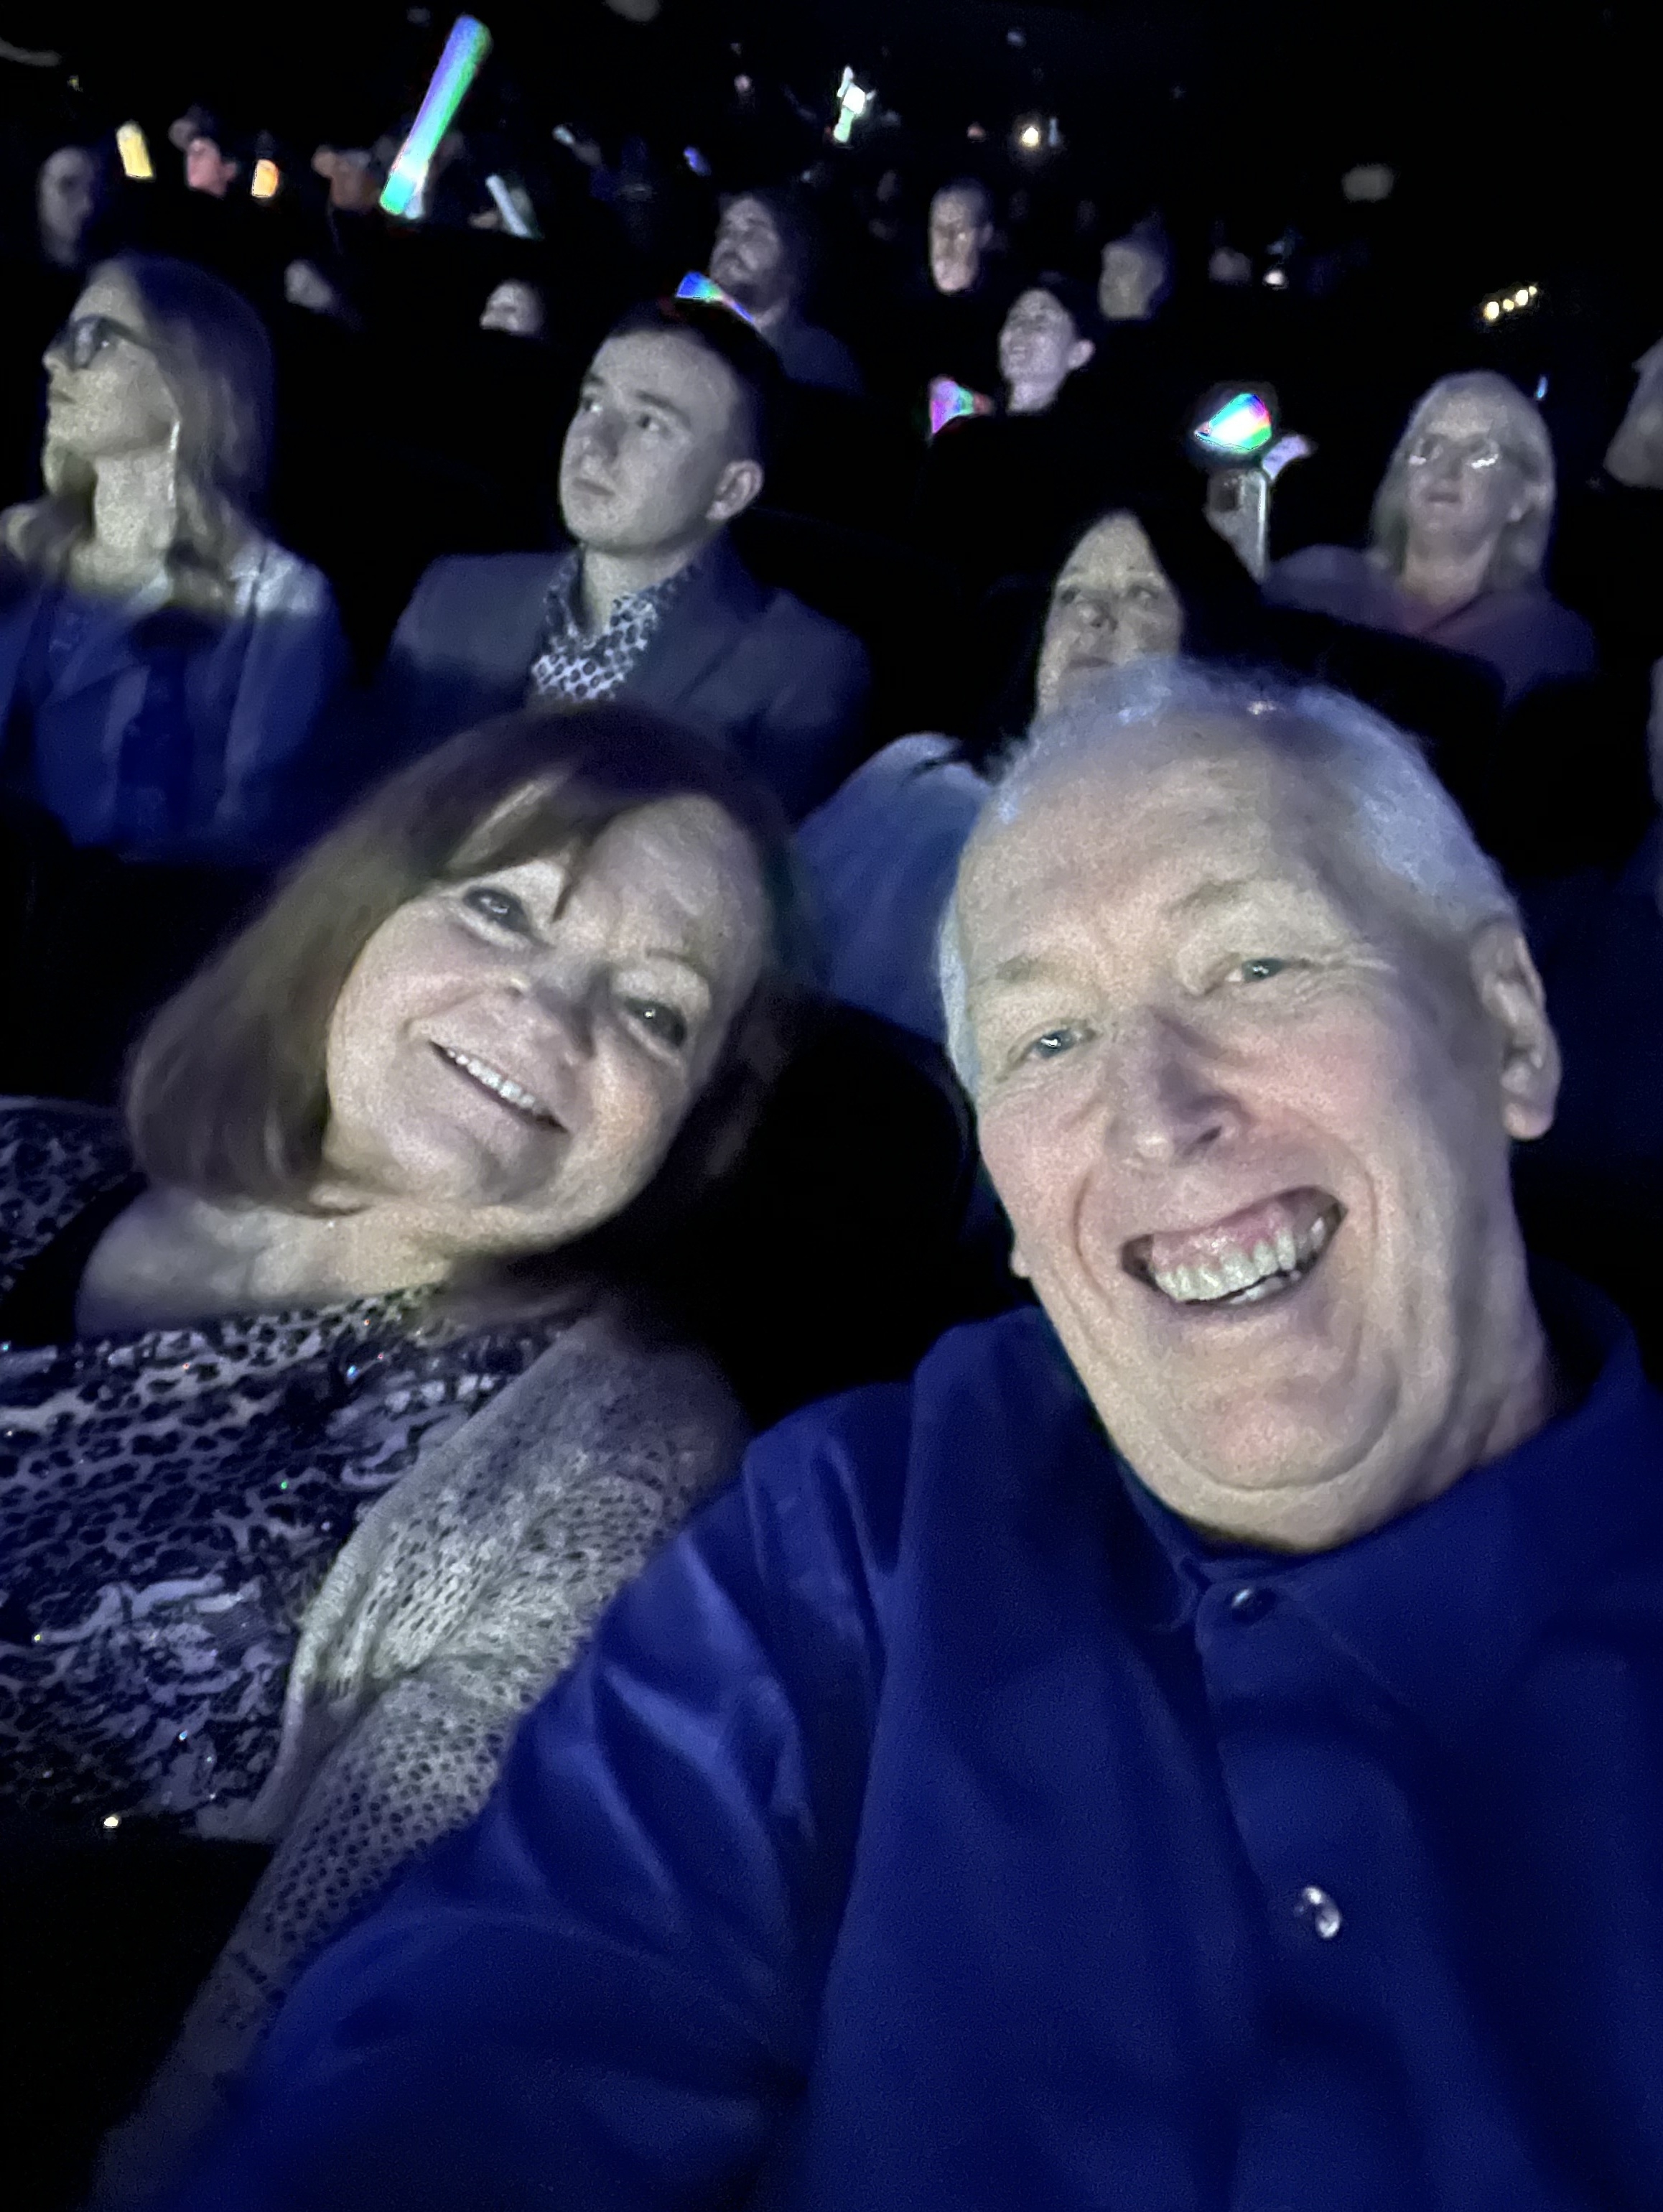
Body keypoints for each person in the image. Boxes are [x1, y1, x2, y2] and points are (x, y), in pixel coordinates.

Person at [161, 660, 1663, 2212]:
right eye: (1047, 1041)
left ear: (1510, 1028)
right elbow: (493, 2040)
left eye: (1255, 964)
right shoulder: (850, 1535)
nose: (1156, 1114)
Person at [5, 700, 802, 2211]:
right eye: (501, 909)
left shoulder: (610, 1456)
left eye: (654, 1011)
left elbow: (319, 2035)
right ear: (356, 914)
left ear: (691, 1123)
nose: (549, 1015)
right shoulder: (22, 1153)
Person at [366, 297, 870, 824]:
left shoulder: (798, 671)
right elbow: (356, 808)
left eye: (649, 423)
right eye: (591, 404)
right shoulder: (454, 595)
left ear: (729, 491)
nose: (594, 444)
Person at [798, 481, 1262, 1044]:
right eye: (1070, 594)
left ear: (1207, 635)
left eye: (1142, 594)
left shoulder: (1213, 850)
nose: (1091, 614)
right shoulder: (913, 777)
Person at [0, 254, 348, 863]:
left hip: (127, 910)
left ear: (188, 380)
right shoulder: (17, 546)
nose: (54, 360)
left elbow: (250, 836)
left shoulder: (278, 600)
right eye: (63, 337)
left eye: (96, 339)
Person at [1266, 369, 1598, 705]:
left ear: (1523, 497)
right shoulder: (1310, 583)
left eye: (1481, 453)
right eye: (1428, 447)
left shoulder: (1548, 643)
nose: (1444, 469)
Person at [707, 189, 864, 397]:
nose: (732, 240)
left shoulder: (818, 360)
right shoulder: (683, 324)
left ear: (793, 263)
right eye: (727, 230)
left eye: (755, 232)